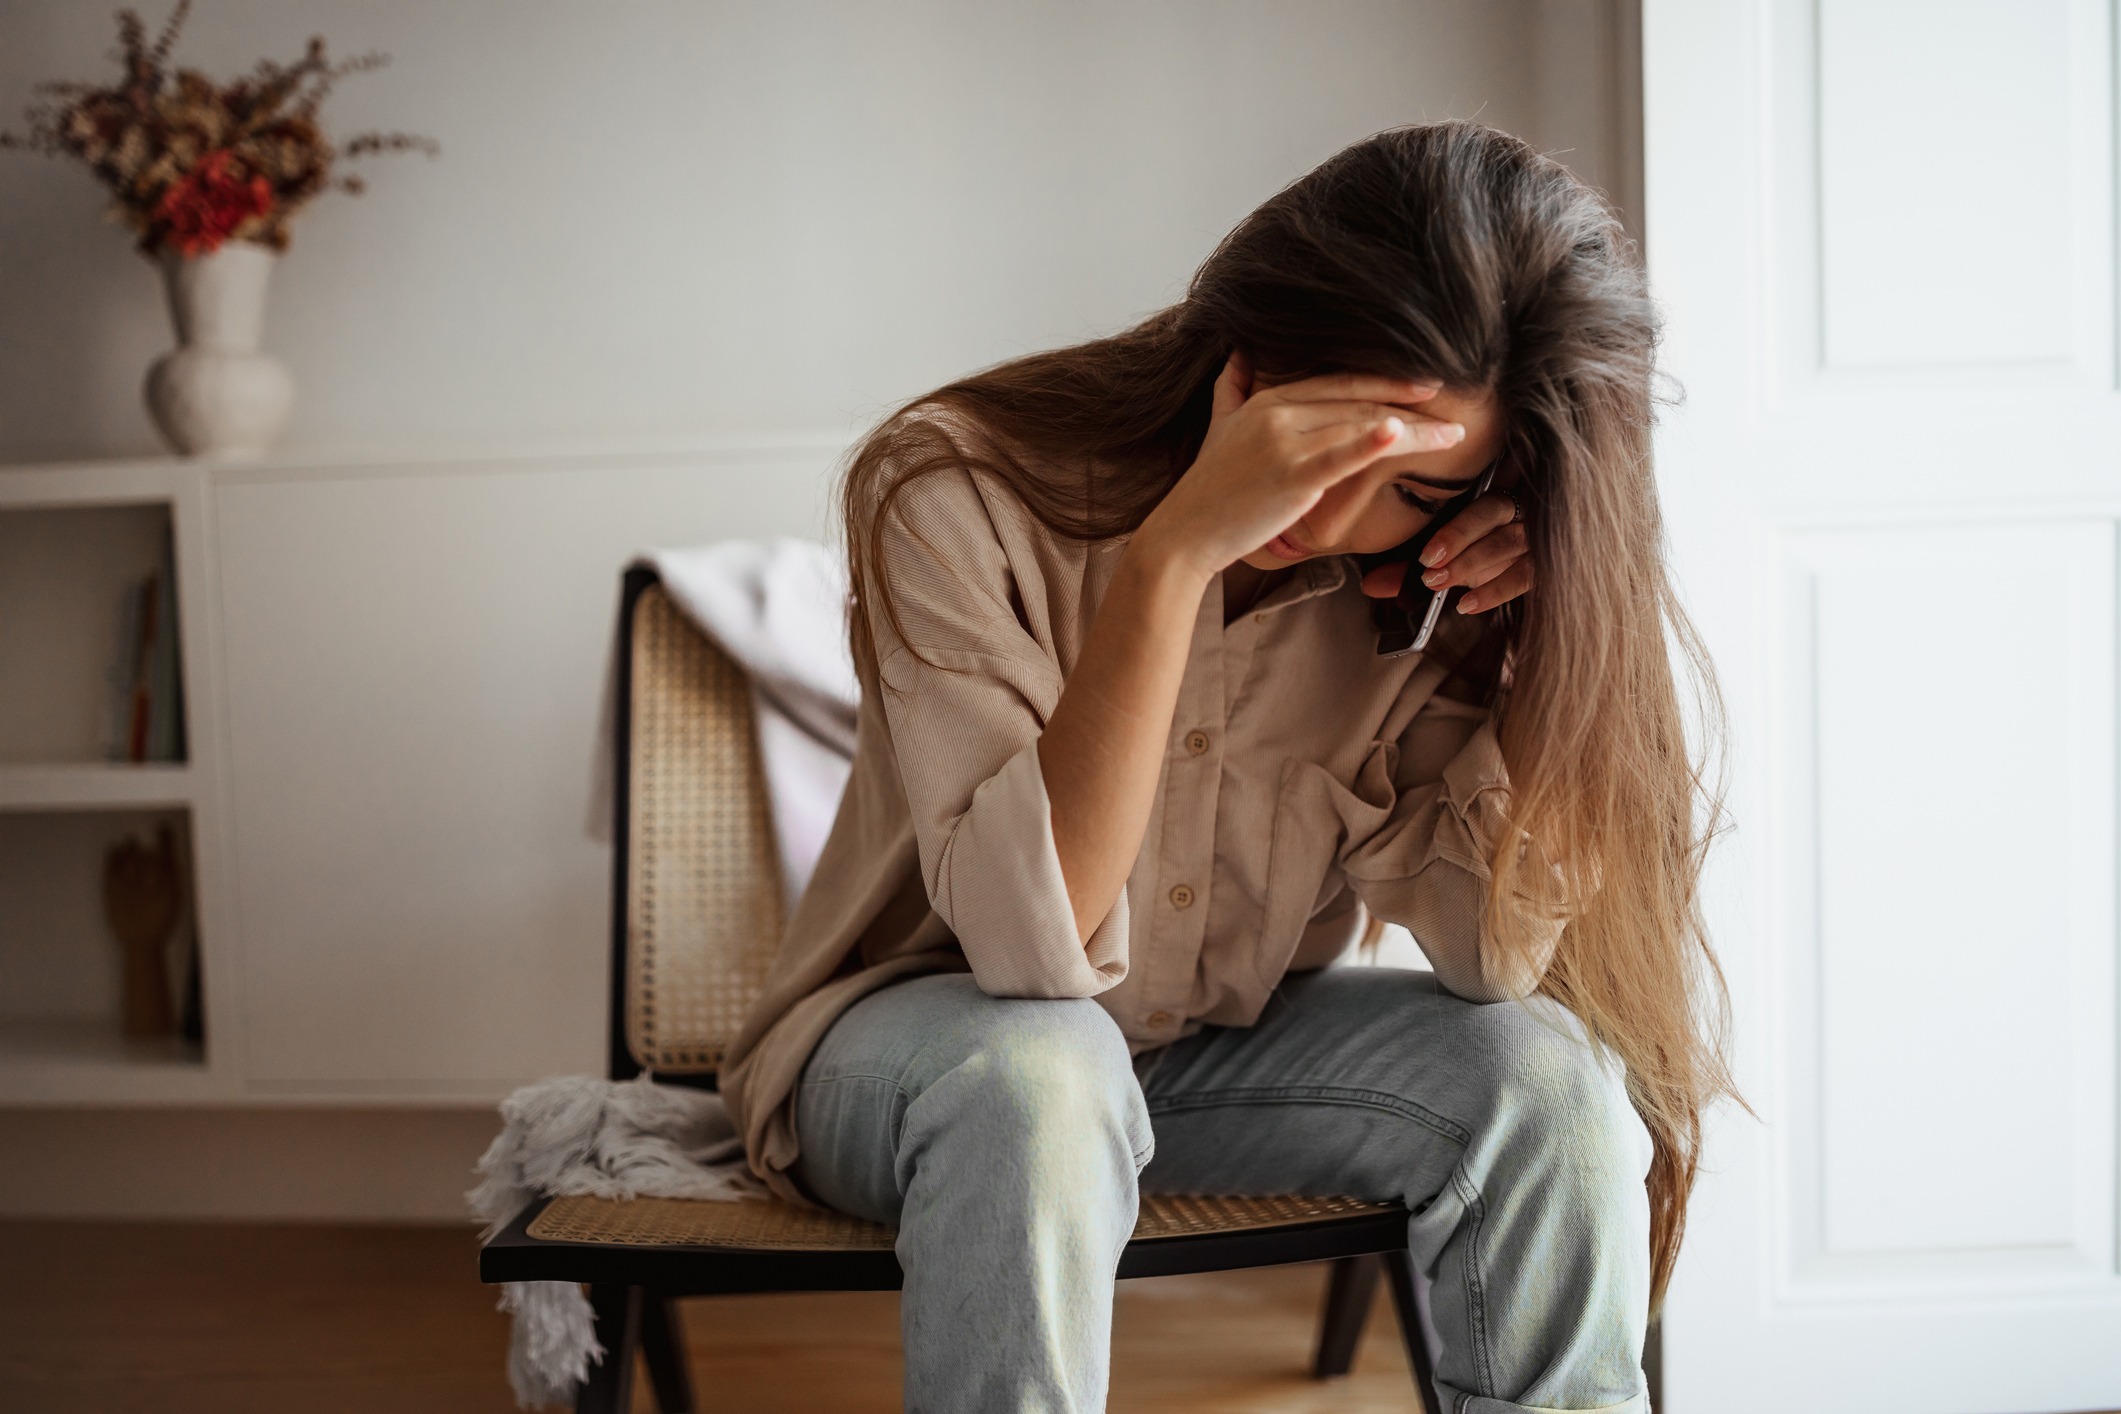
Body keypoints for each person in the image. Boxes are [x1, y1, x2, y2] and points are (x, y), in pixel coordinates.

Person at [719, 119, 1736, 1414]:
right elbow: (1034, 956)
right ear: (1250, 364)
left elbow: (1488, 953)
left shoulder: (1429, 588)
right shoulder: (954, 487)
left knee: (1545, 1073)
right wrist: (1171, 558)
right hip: (923, 1053)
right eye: (1330, 440)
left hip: (1211, 1057)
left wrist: (1545, 634)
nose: (1342, 510)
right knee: (1043, 1070)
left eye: (1414, 487)